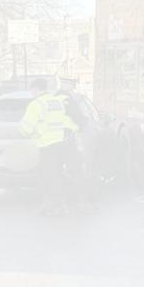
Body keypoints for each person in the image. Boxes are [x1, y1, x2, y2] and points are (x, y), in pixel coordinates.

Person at [20, 78, 78, 216]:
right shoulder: (57, 101)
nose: (31, 93)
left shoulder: (36, 104)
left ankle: (54, 207)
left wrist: (31, 134)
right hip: (61, 145)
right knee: (56, 175)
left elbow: (26, 128)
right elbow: (67, 121)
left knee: (48, 176)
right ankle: (57, 205)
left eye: (31, 90)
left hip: (46, 145)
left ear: (35, 89)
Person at [53, 76, 95, 213]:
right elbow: (78, 118)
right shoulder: (68, 100)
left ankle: (57, 203)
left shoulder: (52, 99)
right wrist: (83, 124)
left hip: (52, 142)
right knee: (77, 170)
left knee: (55, 172)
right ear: (69, 85)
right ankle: (81, 202)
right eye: (71, 85)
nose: (72, 88)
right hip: (68, 140)